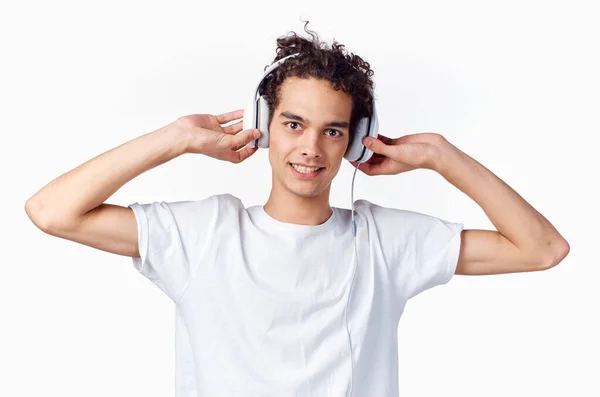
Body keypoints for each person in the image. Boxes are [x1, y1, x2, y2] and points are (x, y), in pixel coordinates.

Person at [25, 24, 569, 397]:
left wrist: (443, 157)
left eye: (332, 131)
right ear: (264, 124)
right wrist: (174, 139)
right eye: (293, 124)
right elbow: (52, 211)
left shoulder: (385, 242)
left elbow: (543, 249)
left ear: (354, 142)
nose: (310, 147)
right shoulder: (203, 232)